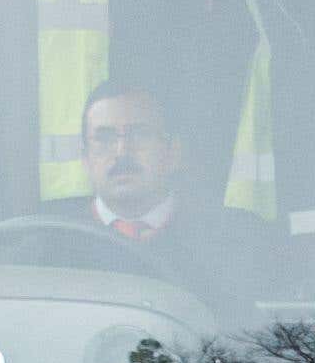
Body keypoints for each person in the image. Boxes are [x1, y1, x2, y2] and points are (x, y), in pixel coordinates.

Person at [48, 81, 287, 310]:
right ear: (85, 159)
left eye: (140, 134)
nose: (122, 151)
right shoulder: (51, 245)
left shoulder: (240, 240)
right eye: (105, 138)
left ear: (174, 153)